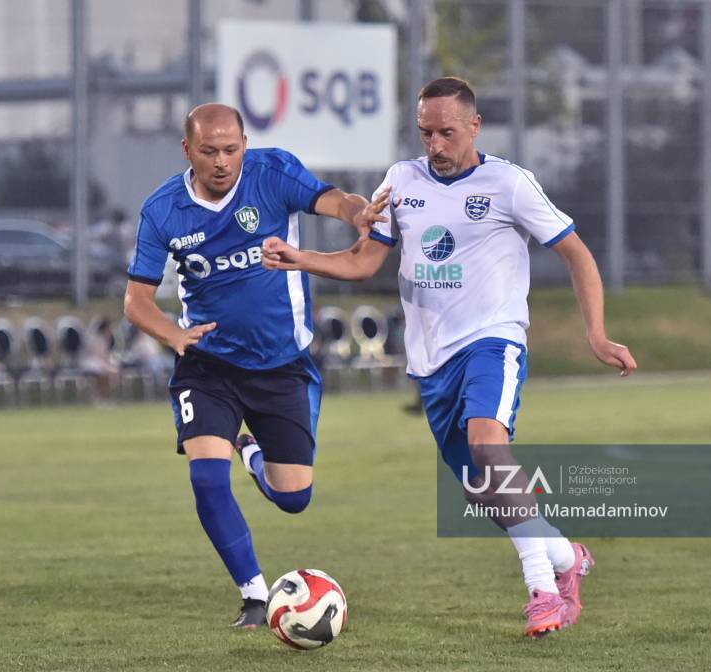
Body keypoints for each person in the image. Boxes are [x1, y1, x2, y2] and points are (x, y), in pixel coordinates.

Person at [262, 77, 637, 637]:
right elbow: (363, 262)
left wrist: (597, 335)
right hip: (431, 362)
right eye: (426, 133)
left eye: (446, 133)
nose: (435, 144)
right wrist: (299, 257)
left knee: (489, 446)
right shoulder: (401, 180)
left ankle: (542, 591)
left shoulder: (509, 183)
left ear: (474, 126)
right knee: (480, 488)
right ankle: (566, 557)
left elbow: (577, 254)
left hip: (493, 340)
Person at [123, 103, 384, 628]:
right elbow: (136, 300)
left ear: (245, 144)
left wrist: (358, 214)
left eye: (230, 149)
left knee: (294, 498)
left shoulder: (272, 172)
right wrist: (173, 335)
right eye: (208, 151)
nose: (221, 161)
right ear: (187, 150)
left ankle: (251, 452)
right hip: (208, 365)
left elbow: (335, 200)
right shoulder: (163, 209)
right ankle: (255, 596)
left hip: (282, 364)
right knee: (207, 479)